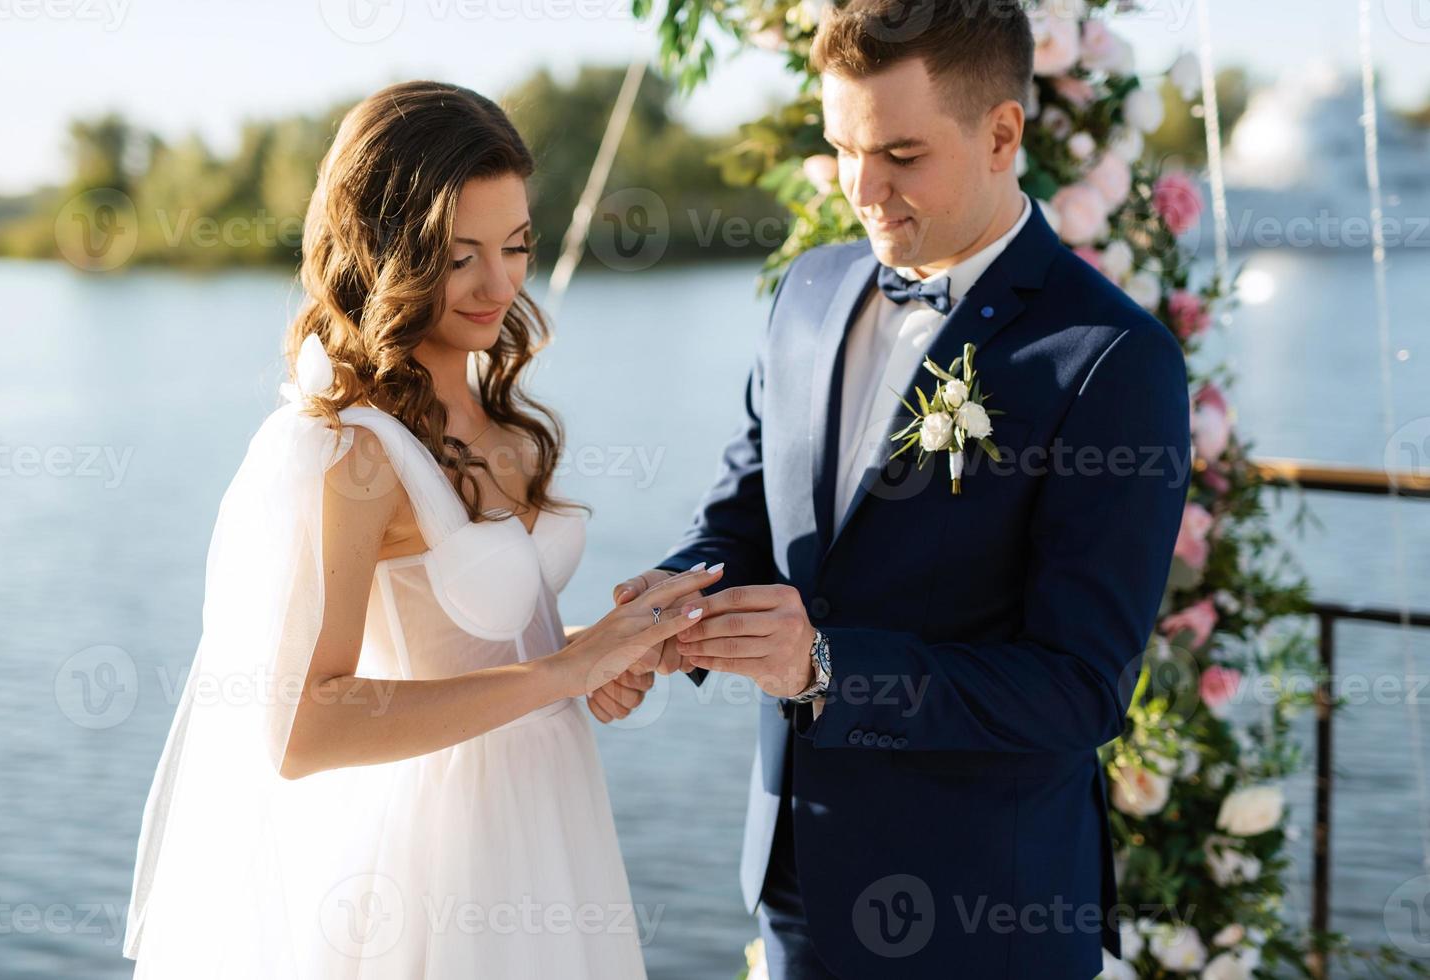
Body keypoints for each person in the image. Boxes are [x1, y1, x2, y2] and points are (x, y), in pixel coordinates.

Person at [612, 1, 1192, 976]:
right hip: (797, 881)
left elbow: (1078, 688)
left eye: (901, 154)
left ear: (1003, 132)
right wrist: (665, 606)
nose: (862, 190)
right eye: (843, 148)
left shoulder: (1110, 361)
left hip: (986, 910)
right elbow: (749, 506)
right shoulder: (807, 291)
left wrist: (830, 665)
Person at [121, 79, 714, 979]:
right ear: (386, 248)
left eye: (515, 246)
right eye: (459, 252)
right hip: (434, 869)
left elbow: (490, 652)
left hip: (549, 828)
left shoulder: (502, 420)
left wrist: (610, 651)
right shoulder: (355, 449)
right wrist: (560, 671)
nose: (498, 284)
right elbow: (301, 729)